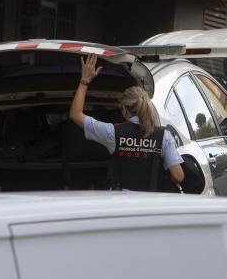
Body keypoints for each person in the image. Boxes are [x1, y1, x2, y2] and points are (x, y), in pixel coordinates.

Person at [70, 54, 184, 191]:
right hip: (151, 203)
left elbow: (75, 114)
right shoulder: (163, 136)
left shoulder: (113, 133)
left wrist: (84, 80)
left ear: (124, 110)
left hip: (121, 203)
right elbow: (178, 176)